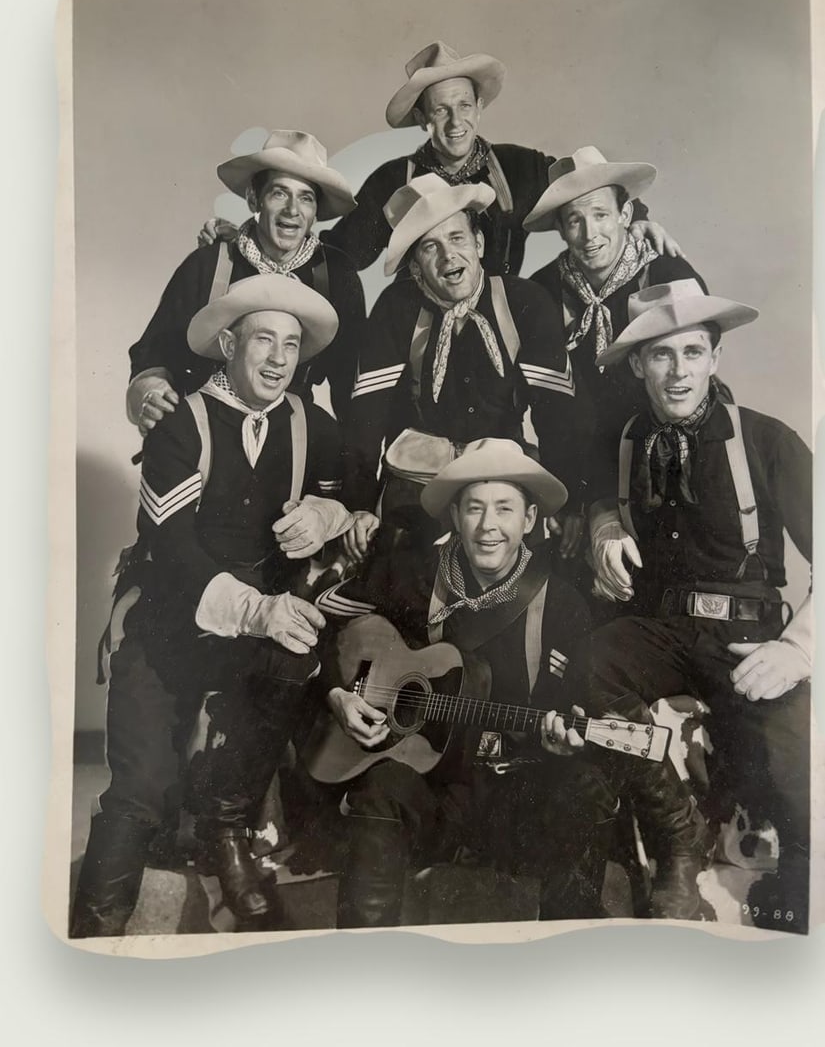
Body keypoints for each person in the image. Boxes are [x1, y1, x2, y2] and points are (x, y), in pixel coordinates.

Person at [313, 439, 707, 928]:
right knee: (379, 789)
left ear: (529, 519)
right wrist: (337, 693)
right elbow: (324, 625)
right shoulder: (413, 576)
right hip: (433, 792)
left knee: (582, 789)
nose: (488, 526)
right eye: (474, 508)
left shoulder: (563, 603)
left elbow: (575, 707)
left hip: (518, 796)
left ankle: (568, 949)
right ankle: (361, 965)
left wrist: (564, 742)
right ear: (455, 516)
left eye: (504, 509)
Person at [71, 275, 356, 937]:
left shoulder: (314, 425)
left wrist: (325, 513)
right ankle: (89, 944)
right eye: (263, 340)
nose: (280, 358)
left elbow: (349, 504)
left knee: (297, 664)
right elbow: (171, 548)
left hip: (254, 636)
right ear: (228, 344)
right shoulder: (179, 423)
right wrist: (258, 611)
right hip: (167, 623)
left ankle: (227, 829)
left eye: (291, 344)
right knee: (139, 795)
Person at [584, 278, 811, 929]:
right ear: (636, 366)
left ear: (714, 357)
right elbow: (595, 499)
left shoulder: (766, 441)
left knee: (793, 775)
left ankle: (794, 904)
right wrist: (602, 530)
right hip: (663, 630)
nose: (676, 371)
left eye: (691, 353)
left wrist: (796, 650)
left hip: (749, 643)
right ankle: (674, 838)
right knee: (592, 664)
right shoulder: (624, 442)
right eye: (660, 355)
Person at [341, 173, 586, 553]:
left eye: (457, 238)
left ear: (480, 242)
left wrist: (569, 503)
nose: (447, 256)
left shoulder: (526, 302)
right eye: (429, 247)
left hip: (503, 476)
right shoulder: (396, 308)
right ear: (415, 265)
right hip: (417, 483)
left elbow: (559, 416)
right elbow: (365, 418)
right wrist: (357, 506)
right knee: (403, 578)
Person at [323, 42, 678, 276]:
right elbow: (341, 256)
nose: (455, 122)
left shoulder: (520, 167)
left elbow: (589, 185)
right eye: (441, 110)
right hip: (418, 329)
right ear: (421, 119)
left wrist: (638, 219)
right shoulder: (391, 180)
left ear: (479, 107)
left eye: (464, 106)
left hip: (507, 322)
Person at [129, 130, 365, 431]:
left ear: (316, 209)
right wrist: (151, 390)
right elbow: (155, 351)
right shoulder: (209, 264)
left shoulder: (336, 274)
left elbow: (350, 384)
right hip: (207, 435)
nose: (292, 210)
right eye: (279, 193)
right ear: (255, 199)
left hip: (290, 445)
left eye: (305, 198)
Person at [526, 146, 709, 456]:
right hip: (581, 461)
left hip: (667, 453)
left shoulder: (668, 274)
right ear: (560, 229)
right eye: (574, 221)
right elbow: (547, 403)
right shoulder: (543, 289)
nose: (589, 235)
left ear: (625, 215)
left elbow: (697, 380)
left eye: (600, 215)